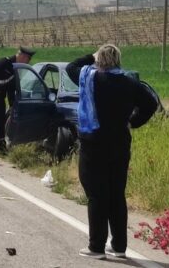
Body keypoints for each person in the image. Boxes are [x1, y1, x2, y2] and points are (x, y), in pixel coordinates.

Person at [66, 45, 158, 260]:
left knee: (96, 194)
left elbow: (72, 66)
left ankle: (96, 246)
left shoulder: (89, 78)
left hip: (94, 142)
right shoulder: (129, 82)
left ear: (99, 59)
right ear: (118, 60)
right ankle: (119, 247)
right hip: (119, 143)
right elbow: (151, 103)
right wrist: (133, 122)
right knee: (116, 194)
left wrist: (91, 55)